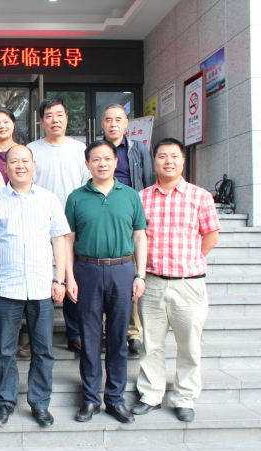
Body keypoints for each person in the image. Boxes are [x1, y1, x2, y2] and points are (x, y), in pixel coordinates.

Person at [131, 138, 220, 423]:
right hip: (152, 282)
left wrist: (191, 260)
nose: (168, 161)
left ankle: (184, 397)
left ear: (183, 160)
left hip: (188, 284)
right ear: (154, 161)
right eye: (162, 156)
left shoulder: (200, 196)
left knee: (189, 346)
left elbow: (211, 235)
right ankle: (151, 394)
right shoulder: (141, 197)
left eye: (174, 156)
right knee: (151, 344)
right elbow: (137, 238)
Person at [0, 144, 69, 428]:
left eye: (25, 161)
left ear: (33, 166)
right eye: (14, 161)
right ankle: (5, 402)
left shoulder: (48, 199)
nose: (20, 165)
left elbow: (59, 240)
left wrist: (60, 279)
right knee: (4, 350)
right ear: (5, 167)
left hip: (42, 286)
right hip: (6, 287)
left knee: (43, 350)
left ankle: (40, 404)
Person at [64, 140, 148, 424]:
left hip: (122, 270)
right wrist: (69, 277)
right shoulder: (76, 197)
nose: (102, 163)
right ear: (87, 164)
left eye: (107, 158)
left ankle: (115, 399)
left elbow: (140, 236)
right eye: (96, 159)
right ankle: (90, 399)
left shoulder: (130, 195)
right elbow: (68, 240)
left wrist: (140, 274)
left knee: (118, 339)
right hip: (86, 270)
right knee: (89, 339)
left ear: (116, 162)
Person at [26, 97, 90, 356]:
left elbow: (88, 185)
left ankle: (75, 334)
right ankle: (36, 337)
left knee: (72, 275)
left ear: (67, 118)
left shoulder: (80, 149)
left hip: (74, 224)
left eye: (60, 114)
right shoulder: (31, 149)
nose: (55, 120)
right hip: (39, 224)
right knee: (41, 279)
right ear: (41, 121)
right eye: (49, 115)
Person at [101, 103, 155, 353]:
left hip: (129, 214)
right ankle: (106, 331)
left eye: (118, 119)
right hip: (102, 212)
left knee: (129, 276)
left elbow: (147, 180)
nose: (113, 124)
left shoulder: (138, 149)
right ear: (102, 123)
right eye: (108, 119)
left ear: (126, 123)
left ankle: (133, 332)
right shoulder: (96, 149)